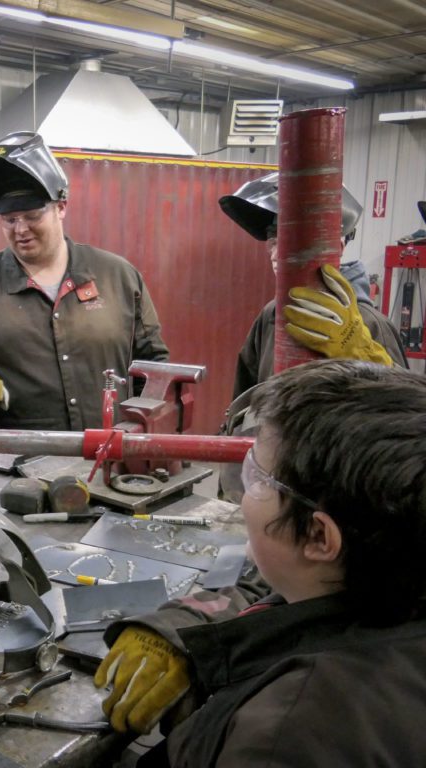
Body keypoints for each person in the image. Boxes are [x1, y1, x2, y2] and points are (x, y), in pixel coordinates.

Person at [93, 359, 426, 766]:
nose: (242, 497)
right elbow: (276, 598)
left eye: (259, 479)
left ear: (320, 537)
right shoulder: (385, 586)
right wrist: (185, 631)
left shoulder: (285, 739)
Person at [0, 131, 169, 431]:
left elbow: (154, 365)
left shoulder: (119, 278)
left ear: (61, 207)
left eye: (32, 216)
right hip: (12, 465)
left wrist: (141, 434)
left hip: (107, 459)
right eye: (9, 220)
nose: (21, 229)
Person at [219, 171, 407, 400]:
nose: (276, 255)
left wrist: (368, 363)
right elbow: (243, 402)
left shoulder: (371, 325)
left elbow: (407, 422)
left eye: (290, 242)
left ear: (335, 248)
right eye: (273, 242)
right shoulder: (272, 315)